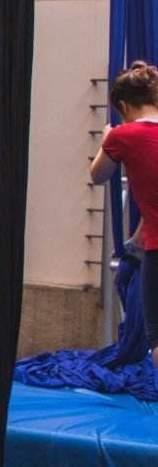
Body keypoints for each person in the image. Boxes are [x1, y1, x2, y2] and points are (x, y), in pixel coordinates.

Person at [90, 60, 158, 369]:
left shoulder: (124, 135)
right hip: (149, 236)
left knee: (155, 338)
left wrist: (108, 137)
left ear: (122, 106)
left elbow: (98, 174)